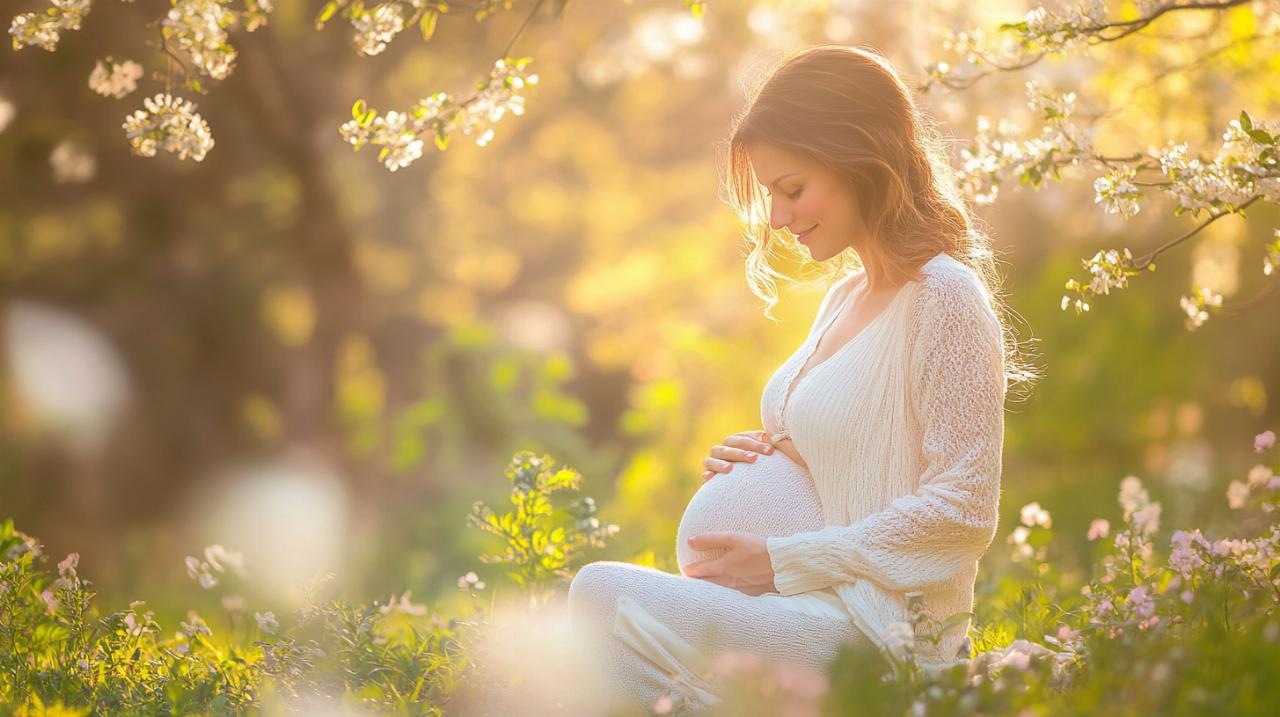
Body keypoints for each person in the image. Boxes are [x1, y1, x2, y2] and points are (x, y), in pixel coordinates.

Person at [566, 43, 1035, 715]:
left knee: (596, 597)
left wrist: (783, 560)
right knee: (602, 651)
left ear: (858, 159)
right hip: (807, 609)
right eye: (771, 196)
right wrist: (763, 453)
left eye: (792, 189)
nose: (779, 219)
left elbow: (963, 507)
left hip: (882, 634)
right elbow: (855, 459)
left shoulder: (944, 295)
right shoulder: (843, 297)